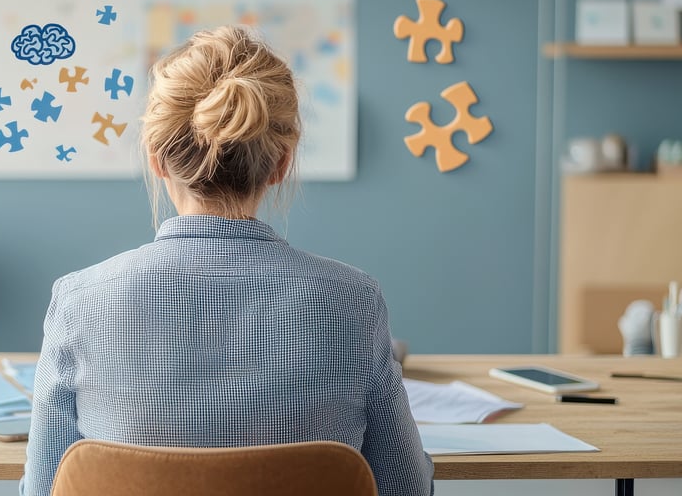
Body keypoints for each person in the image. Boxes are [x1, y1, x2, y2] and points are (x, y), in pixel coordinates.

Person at [21, 25, 434, 496]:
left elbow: (42, 490)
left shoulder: (78, 301)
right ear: (282, 163)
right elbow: (406, 489)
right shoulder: (353, 299)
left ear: (156, 159)